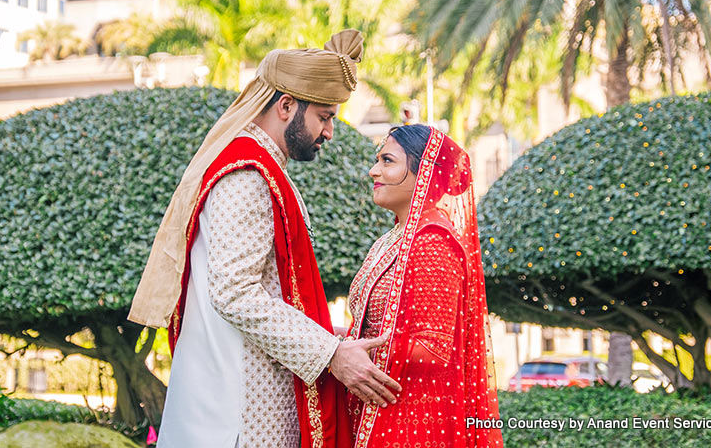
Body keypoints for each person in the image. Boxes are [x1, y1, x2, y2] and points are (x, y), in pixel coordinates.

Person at [128, 30, 400, 448]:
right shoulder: (247, 175)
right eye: (324, 117)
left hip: (245, 401)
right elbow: (235, 292)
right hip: (237, 412)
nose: (329, 131)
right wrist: (331, 354)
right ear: (287, 105)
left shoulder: (262, 169)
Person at [346, 124, 504, 447]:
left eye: (387, 161)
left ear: (423, 174)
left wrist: (353, 353)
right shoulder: (393, 239)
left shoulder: (433, 241)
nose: (373, 170)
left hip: (411, 424)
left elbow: (433, 348)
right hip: (378, 408)